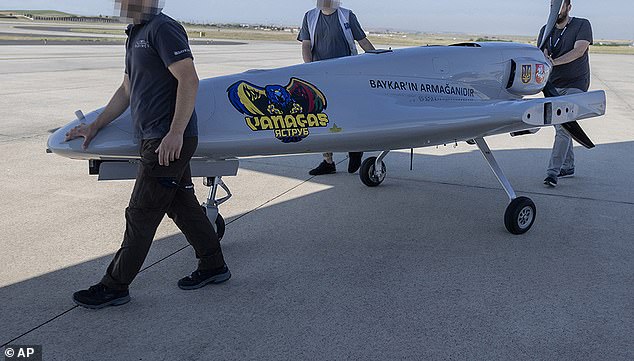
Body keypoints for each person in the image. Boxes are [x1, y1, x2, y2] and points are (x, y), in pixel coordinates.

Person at [66, 0, 230, 309]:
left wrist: (176, 133)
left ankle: (114, 286)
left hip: (165, 141)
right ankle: (214, 266)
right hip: (156, 138)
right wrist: (95, 125)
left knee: (141, 214)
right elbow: (128, 89)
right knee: (183, 207)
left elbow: (188, 79)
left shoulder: (163, 28)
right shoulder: (136, 32)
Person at [298, 0, 376, 176]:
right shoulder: (309, 16)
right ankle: (328, 162)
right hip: (320, 76)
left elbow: (362, 41)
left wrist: (378, 59)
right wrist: (309, 67)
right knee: (323, 118)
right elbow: (306, 44)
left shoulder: (347, 15)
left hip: (346, 76)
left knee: (349, 115)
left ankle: (355, 150)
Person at [539, 0, 593, 187]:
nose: (556, 10)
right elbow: (542, 54)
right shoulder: (546, 29)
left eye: (560, 6)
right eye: (553, 6)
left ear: (569, 7)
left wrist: (553, 62)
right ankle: (568, 166)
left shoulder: (582, 24)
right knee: (562, 126)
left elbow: (579, 51)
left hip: (576, 83)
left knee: (563, 128)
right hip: (552, 85)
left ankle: (552, 173)